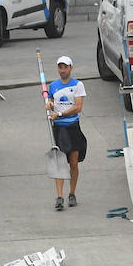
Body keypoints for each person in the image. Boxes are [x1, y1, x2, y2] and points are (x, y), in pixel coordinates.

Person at [46, 56, 87, 210]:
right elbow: (51, 102)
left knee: (73, 163)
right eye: (60, 67)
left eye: (65, 67)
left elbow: (78, 107)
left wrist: (61, 114)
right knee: (59, 163)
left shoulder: (78, 85)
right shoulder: (53, 86)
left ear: (71, 68)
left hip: (72, 127)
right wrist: (49, 104)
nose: (62, 70)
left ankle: (72, 193)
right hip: (58, 129)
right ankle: (59, 197)